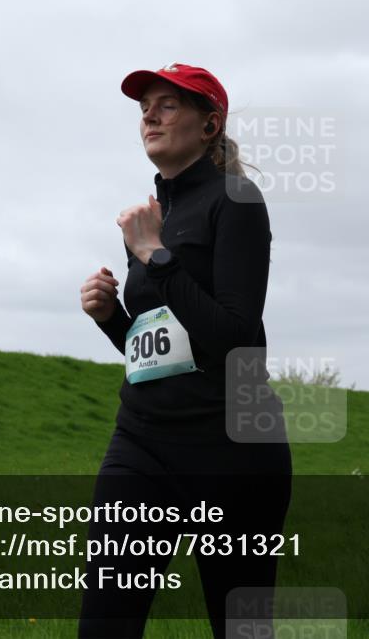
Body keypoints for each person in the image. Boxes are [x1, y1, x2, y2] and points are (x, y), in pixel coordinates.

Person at [78, 63, 292, 639]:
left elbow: (230, 336)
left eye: (168, 104)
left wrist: (155, 256)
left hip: (230, 447)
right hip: (142, 443)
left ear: (209, 125)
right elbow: (157, 351)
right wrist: (110, 319)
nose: (149, 114)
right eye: (145, 105)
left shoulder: (237, 201)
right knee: (105, 623)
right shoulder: (153, 216)